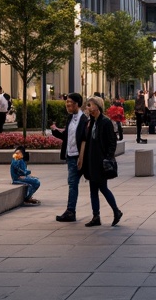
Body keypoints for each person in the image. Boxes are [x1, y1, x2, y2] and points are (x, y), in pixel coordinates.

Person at [81, 96, 122, 227]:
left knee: (103, 188)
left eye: (90, 105)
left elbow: (112, 142)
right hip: (92, 161)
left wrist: (108, 157)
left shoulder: (105, 122)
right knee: (93, 189)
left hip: (101, 161)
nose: (88, 108)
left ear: (97, 106)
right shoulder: (91, 121)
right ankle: (96, 216)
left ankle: (116, 211)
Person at [49, 92, 88, 222]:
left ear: (77, 104)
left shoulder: (84, 120)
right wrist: (55, 131)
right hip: (71, 156)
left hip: (79, 157)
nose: (67, 105)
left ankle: (72, 211)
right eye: (67, 102)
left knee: (97, 186)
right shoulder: (70, 118)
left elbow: (84, 139)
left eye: (69, 102)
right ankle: (71, 211)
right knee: (73, 184)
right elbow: (67, 136)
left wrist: (81, 158)